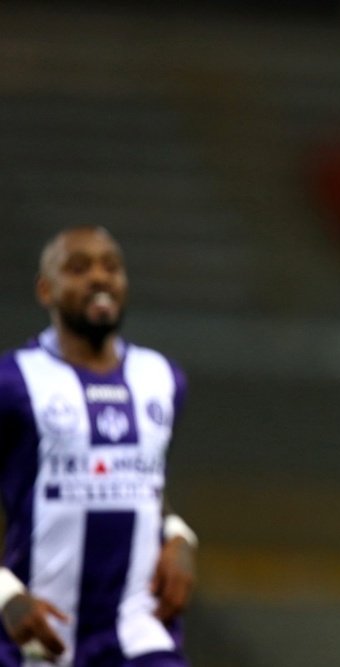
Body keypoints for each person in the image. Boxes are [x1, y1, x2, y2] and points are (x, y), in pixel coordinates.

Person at [0, 225, 197, 666]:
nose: (99, 278)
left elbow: (142, 483)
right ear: (45, 289)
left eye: (111, 266)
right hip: (35, 633)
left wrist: (179, 534)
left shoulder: (162, 379)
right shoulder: (12, 382)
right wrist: (5, 593)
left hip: (138, 633)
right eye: (78, 267)